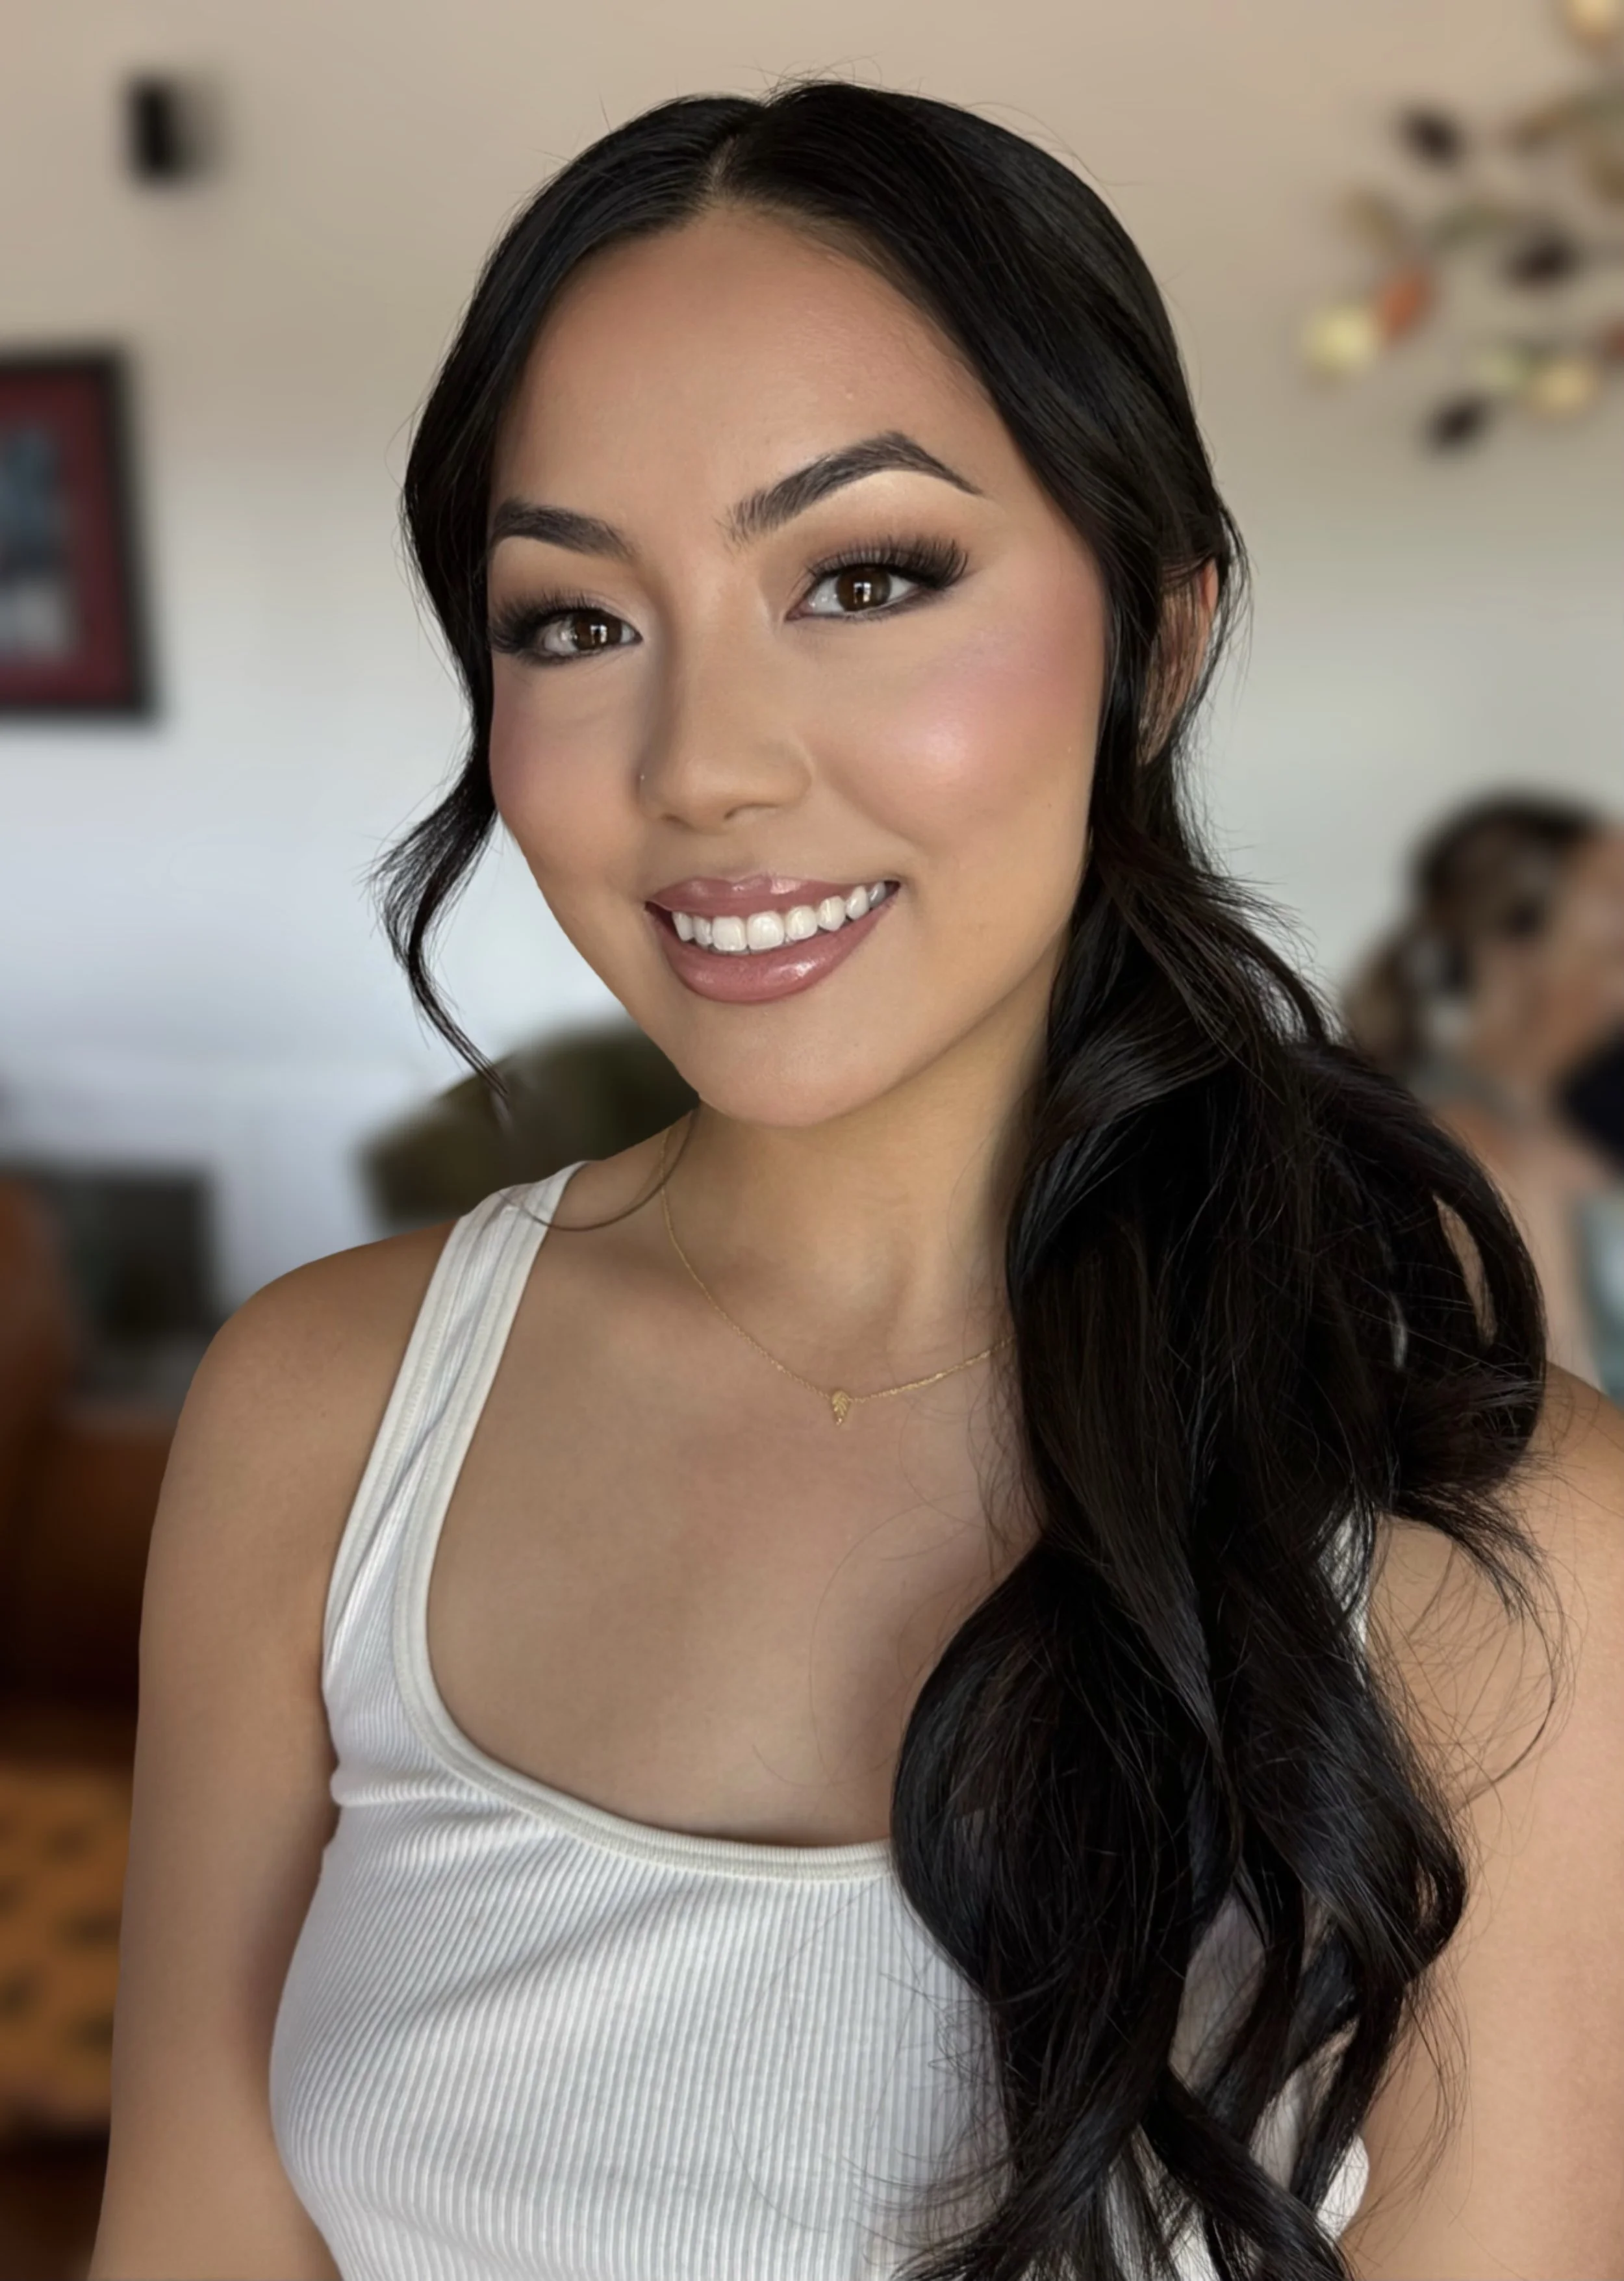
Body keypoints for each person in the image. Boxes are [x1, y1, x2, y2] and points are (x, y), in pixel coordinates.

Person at [90, 78, 1624, 2281]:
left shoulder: (1494, 1537)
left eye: (866, 577)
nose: (704, 765)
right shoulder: (318, 1413)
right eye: (573, 619)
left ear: (1159, 637)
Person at [1346, 796, 1624, 1405]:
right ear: (1512, 947)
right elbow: (1561, 1418)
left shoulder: (1560, 1123)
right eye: (1612, 905)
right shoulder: (1473, 1138)